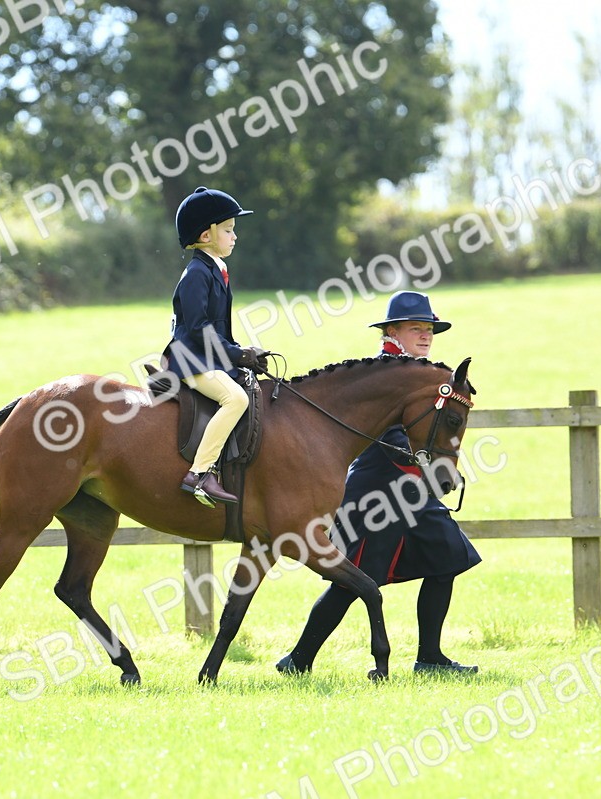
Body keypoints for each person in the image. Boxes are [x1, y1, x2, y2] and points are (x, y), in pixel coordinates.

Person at [276, 290, 483, 674]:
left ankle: (430, 658)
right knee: (354, 581)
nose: (425, 336)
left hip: (414, 490)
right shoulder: (379, 374)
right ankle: (298, 659)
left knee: (447, 559)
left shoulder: (425, 378)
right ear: (392, 331)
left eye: (429, 330)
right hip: (376, 491)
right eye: (416, 328)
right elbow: (383, 435)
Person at [163, 187, 266, 508]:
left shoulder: (216, 270)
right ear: (206, 235)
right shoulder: (196, 274)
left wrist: (244, 352)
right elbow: (197, 329)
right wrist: (236, 355)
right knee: (234, 399)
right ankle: (200, 474)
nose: (235, 237)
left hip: (208, 357)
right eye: (229, 230)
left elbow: (220, 327)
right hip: (189, 360)